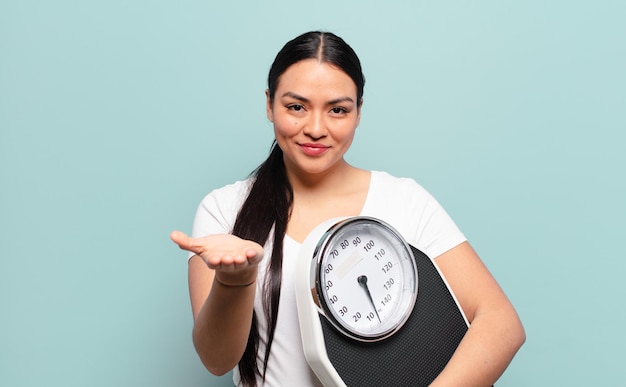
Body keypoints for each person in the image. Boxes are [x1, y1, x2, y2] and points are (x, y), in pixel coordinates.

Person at [170, 31, 525, 387]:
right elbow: (216, 361)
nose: (315, 128)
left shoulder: (405, 200)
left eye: (337, 110)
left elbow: (501, 323)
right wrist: (236, 278)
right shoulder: (226, 210)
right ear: (269, 104)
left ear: (358, 112)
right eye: (296, 107)